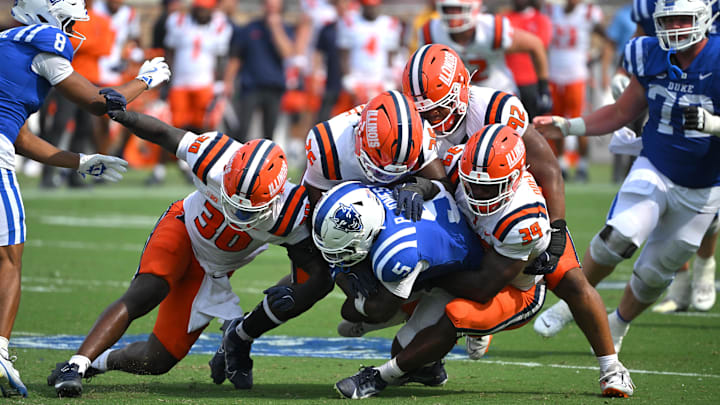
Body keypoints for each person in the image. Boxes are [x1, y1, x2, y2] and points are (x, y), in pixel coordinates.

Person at [46, 90, 333, 397]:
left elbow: (316, 275)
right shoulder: (215, 157)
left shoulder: (291, 214)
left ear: (275, 197)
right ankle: (75, 365)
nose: (235, 212)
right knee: (148, 289)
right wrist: (122, 114)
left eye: (246, 209)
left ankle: (97, 364)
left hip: (212, 272)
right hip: (183, 229)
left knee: (157, 360)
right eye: (231, 198)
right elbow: (163, 133)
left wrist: (281, 303)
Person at [333, 125, 634, 399]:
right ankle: (426, 364)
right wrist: (419, 187)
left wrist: (424, 272)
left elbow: (481, 288)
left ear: (514, 179)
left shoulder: (522, 220)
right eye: (471, 184)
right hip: (469, 255)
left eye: (489, 187)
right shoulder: (461, 160)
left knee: (461, 313)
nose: (477, 192)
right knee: (404, 344)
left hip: (513, 286)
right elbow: (438, 181)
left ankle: (379, 377)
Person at [0, 0, 169, 397]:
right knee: (9, 257)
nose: (74, 28)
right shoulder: (43, 47)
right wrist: (143, 80)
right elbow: (99, 103)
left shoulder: (8, 43)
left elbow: (20, 136)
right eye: (70, 19)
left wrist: (78, 162)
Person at [533, 0, 720, 354]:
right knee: (617, 236)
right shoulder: (650, 52)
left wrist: (713, 124)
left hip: (705, 187)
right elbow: (622, 111)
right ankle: (574, 300)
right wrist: (567, 125)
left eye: (683, 19)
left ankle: (618, 322)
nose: (674, 28)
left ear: (704, 19)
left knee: (655, 273)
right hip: (656, 166)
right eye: (667, 21)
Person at [312, 180, 485, 388]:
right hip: (435, 253)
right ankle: (410, 309)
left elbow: (379, 310)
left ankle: (436, 362)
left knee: (399, 347)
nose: (335, 257)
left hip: (462, 277)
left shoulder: (397, 253)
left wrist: (341, 274)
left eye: (342, 250)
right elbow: (436, 186)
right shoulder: (369, 201)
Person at [302, 89, 450, 211]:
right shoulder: (328, 146)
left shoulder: (422, 137)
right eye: (379, 172)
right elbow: (314, 210)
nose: (386, 180)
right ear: (359, 140)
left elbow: (445, 186)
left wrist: (421, 186)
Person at [418, 0, 551, 99]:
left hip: (499, 94)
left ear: (474, 9)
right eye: (448, 9)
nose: (453, 15)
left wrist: (543, 88)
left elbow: (535, 45)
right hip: (459, 100)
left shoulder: (492, 29)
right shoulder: (431, 31)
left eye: (458, 9)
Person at [544, 0, 609, 183]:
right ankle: (562, 163)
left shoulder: (588, 13)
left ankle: (582, 165)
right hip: (554, 75)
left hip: (576, 75)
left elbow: (606, 39)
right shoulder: (551, 10)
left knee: (577, 121)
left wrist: (596, 56)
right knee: (555, 121)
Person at [224, 0, 294, 143]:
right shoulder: (250, 28)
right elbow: (236, 58)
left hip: (274, 86)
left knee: (269, 132)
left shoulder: (285, 29)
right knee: (242, 128)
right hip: (250, 86)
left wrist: (276, 28)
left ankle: (267, 164)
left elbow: (287, 53)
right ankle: (237, 161)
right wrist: (228, 81)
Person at [337, 0, 401, 105]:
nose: (371, 10)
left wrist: (389, 78)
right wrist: (348, 78)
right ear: (362, 5)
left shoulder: (389, 23)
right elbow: (344, 53)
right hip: (357, 79)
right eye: (368, 6)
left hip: (379, 79)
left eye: (374, 6)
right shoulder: (350, 22)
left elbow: (392, 54)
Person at [502, 0, 554, 119]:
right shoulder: (504, 19)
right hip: (507, 83)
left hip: (532, 82)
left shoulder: (541, 19)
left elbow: (540, 45)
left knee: (534, 126)